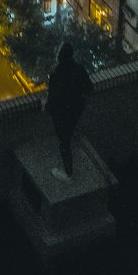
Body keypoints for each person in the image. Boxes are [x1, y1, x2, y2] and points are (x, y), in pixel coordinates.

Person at [44, 41, 92, 181]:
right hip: (76, 110)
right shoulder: (79, 70)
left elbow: (52, 99)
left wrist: (49, 108)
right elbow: (89, 88)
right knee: (67, 136)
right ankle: (68, 167)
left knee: (64, 142)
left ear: (60, 56)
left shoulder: (56, 76)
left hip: (62, 114)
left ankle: (68, 171)